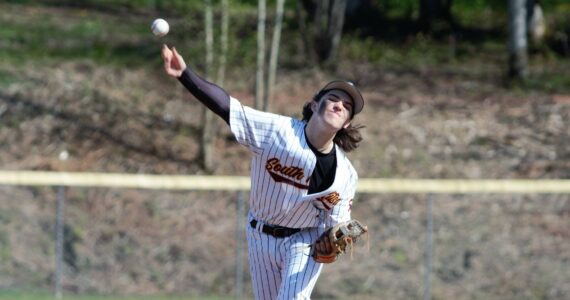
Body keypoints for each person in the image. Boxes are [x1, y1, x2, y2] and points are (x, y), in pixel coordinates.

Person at [161, 44, 364, 300]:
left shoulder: (345, 175)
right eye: (333, 98)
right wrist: (185, 75)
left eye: (346, 106)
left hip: (303, 241)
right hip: (260, 235)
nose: (339, 105)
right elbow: (227, 107)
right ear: (314, 105)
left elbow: (336, 228)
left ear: (346, 123)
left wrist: (330, 245)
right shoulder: (278, 133)